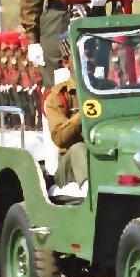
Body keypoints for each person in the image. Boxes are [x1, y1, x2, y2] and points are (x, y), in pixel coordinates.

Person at [43, 36, 88, 199]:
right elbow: (60, 138)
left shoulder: (108, 89)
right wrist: (83, 114)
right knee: (78, 149)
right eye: (81, 56)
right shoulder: (58, 96)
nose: (87, 61)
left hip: (102, 156)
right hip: (69, 168)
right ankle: (90, 194)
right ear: (67, 63)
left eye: (90, 55)